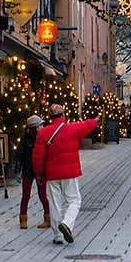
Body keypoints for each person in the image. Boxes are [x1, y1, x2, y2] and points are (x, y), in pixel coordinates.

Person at [31, 104, 99, 245]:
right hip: (69, 173)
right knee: (74, 200)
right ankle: (67, 224)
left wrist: (38, 173)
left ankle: (57, 235)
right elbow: (87, 125)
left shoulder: (43, 133)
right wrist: (96, 120)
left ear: (50, 117)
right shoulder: (72, 129)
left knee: (54, 204)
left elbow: (37, 156)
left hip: (52, 174)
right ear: (63, 115)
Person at [19, 114, 50, 230]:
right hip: (28, 170)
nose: (43, 126)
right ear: (34, 127)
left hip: (40, 170)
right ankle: (23, 218)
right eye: (40, 125)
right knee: (26, 195)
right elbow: (21, 155)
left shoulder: (43, 138)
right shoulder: (26, 140)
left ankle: (48, 217)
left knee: (42, 195)